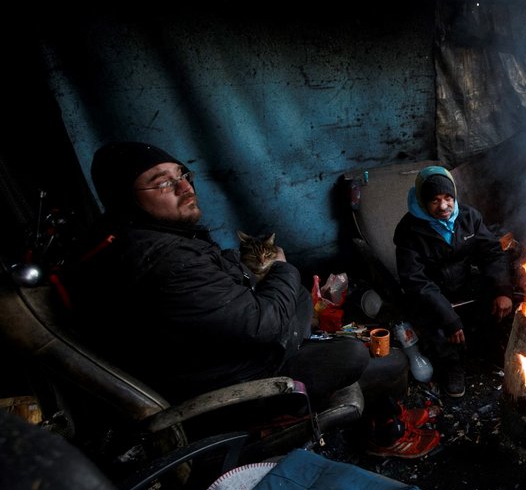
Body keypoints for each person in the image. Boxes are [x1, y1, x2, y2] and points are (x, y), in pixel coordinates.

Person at [68, 141, 437, 459]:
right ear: (125, 198)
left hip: (220, 350)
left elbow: (220, 272)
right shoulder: (164, 261)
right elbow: (264, 325)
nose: (184, 188)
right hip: (232, 384)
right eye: (162, 183)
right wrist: (281, 269)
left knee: (304, 306)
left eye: (182, 175)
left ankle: (380, 411)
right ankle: (385, 434)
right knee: (365, 357)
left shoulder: (148, 238)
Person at [393, 165, 514, 398]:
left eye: (448, 197)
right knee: (438, 329)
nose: (444, 206)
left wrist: (503, 290)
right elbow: (415, 281)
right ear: (422, 200)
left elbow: (492, 254)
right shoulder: (409, 230)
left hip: (464, 283)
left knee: (495, 304)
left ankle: (488, 349)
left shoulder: (469, 217)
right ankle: (451, 367)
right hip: (430, 294)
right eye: (435, 200)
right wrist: (448, 317)